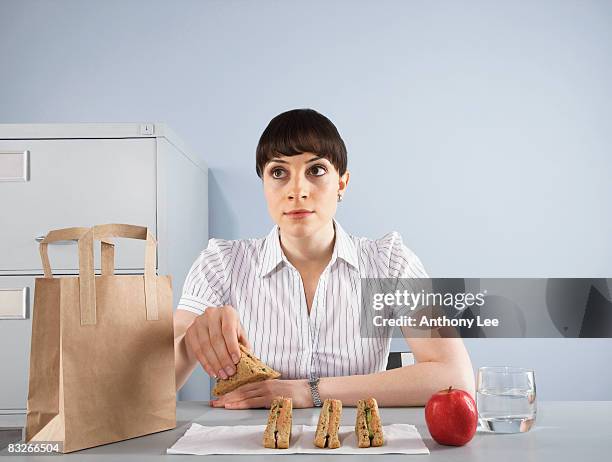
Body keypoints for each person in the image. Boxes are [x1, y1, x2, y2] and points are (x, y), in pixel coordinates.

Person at [173, 108, 475, 409]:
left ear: (341, 183)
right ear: (264, 185)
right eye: (279, 173)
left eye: (315, 170)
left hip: (358, 446)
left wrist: (310, 391)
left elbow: (455, 377)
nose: (297, 190)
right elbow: (149, 392)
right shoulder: (220, 263)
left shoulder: (389, 262)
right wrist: (191, 340)